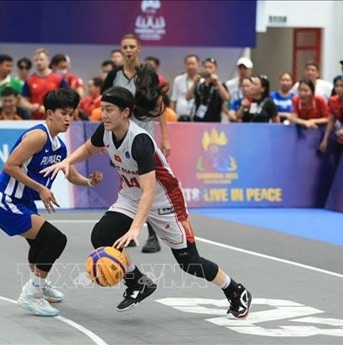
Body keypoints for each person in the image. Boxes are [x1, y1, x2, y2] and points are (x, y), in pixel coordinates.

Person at [41, 71, 252, 318]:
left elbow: (150, 191)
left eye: (109, 110)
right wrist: (67, 162)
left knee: (189, 262)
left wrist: (135, 228)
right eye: (103, 109)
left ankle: (235, 290)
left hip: (165, 202)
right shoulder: (106, 130)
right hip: (130, 196)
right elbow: (89, 148)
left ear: (125, 113)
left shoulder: (140, 142)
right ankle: (137, 282)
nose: (103, 114)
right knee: (102, 236)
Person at [0, 89, 102, 317]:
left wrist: (89, 182)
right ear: (50, 113)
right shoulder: (38, 136)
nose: (68, 118)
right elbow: (9, 166)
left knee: (39, 244)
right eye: (64, 113)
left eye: (72, 114)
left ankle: (39, 285)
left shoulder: (60, 146)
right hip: (6, 199)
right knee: (55, 239)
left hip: (25, 200)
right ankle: (32, 293)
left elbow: (70, 175)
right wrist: (41, 188)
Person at [102, 33, 170, 253]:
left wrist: (165, 137)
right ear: (121, 50)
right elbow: (106, 107)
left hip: (144, 137)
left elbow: (160, 106)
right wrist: (105, 136)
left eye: (132, 46)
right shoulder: (113, 75)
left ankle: (152, 235)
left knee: (146, 187)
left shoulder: (148, 74)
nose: (128, 50)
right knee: (127, 184)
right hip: (122, 138)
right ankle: (130, 230)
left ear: (139, 48)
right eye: (125, 47)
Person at [319, 75, 343, 165]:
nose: (339, 89)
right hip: (340, 138)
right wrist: (325, 139)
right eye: (336, 86)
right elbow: (331, 120)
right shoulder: (333, 100)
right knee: (337, 162)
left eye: (342, 86)